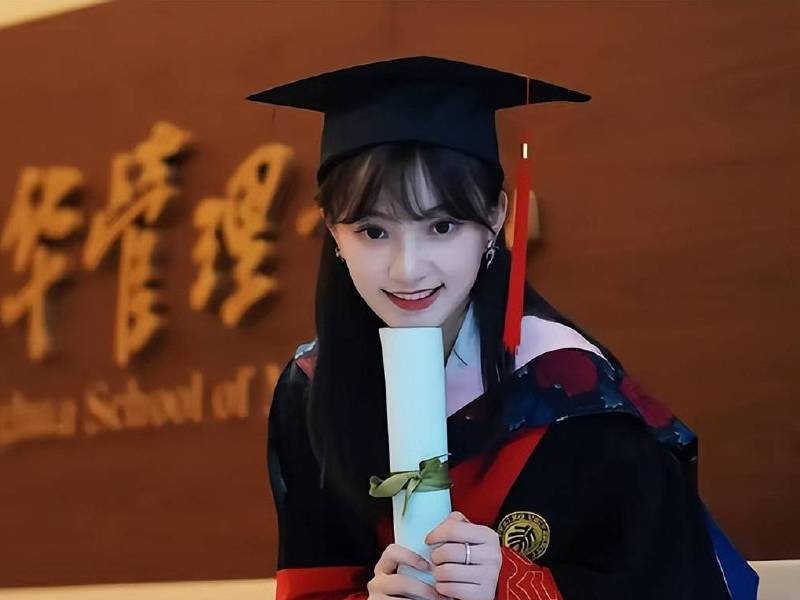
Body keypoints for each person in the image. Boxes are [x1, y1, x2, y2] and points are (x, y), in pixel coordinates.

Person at [249, 56, 757, 600]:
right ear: (332, 231)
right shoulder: (313, 391)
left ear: (494, 217)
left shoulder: (573, 394)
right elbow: (311, 584)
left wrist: (514, 585)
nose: (406, 268)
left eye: (442, 226)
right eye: (373, 231)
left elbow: (675, 583)